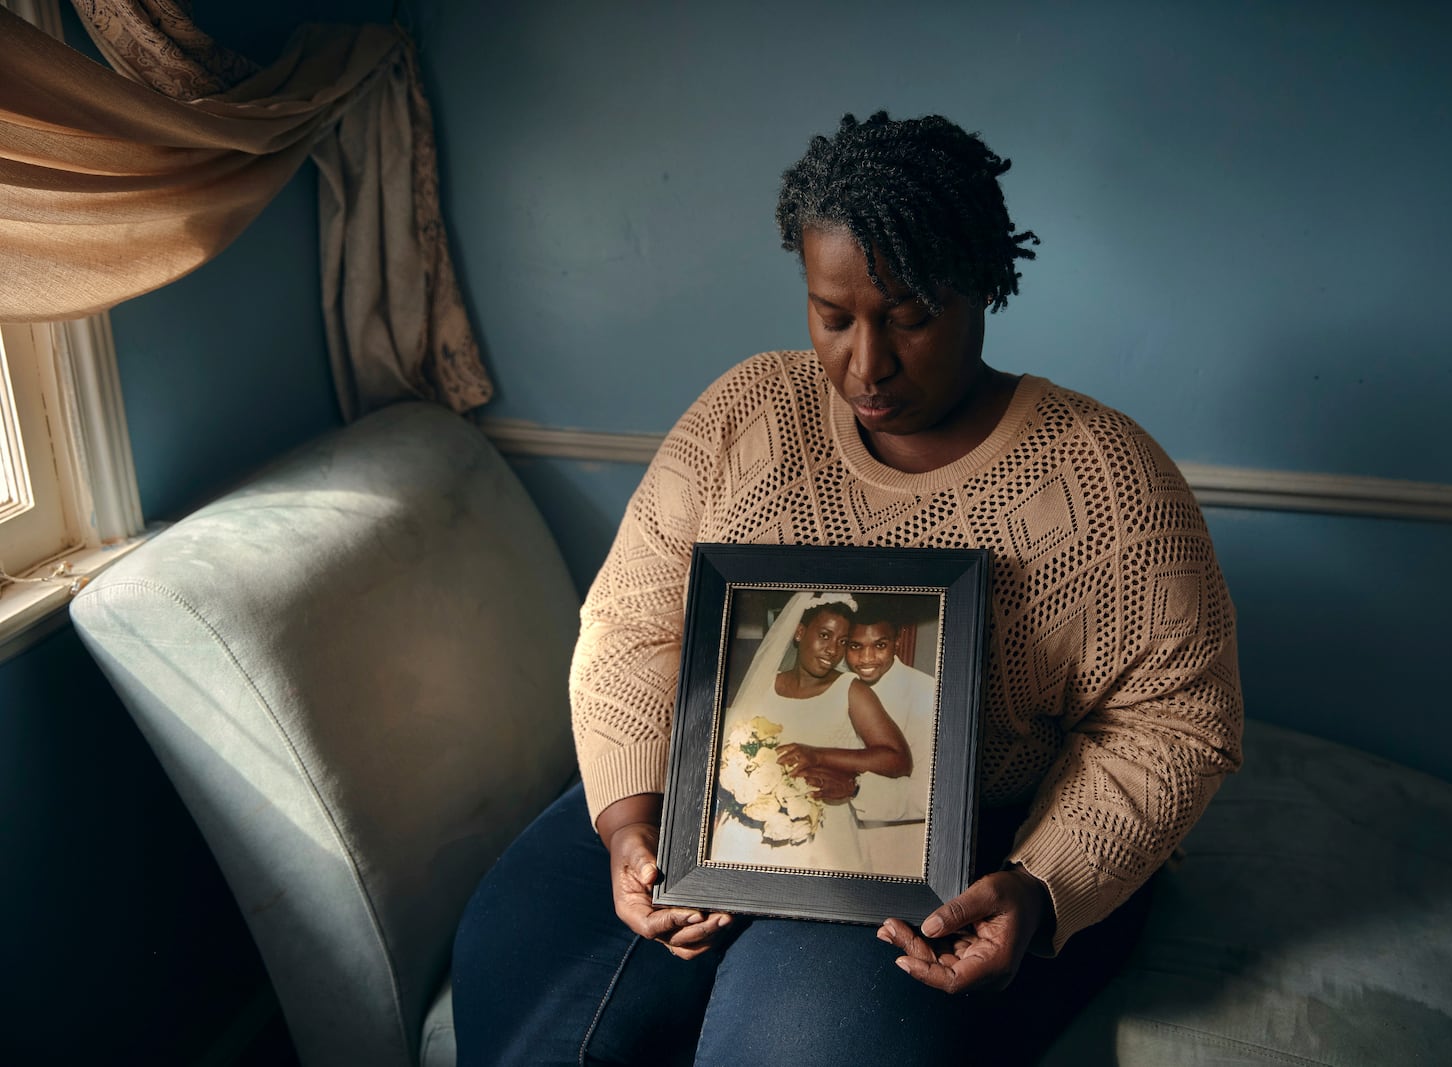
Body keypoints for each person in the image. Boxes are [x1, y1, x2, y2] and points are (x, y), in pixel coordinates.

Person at [452, 110, 1243, 1066]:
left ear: (982, 289)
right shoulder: (745, 413)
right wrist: (632, 820)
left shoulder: (1109, 479)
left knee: (802, 1040)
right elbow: (631, 625)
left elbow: (1173, 721)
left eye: (910, 317)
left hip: (954, 849)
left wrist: (1040, 884)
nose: (866, 364)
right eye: (834, 316)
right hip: (708, 796)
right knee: (525, 966)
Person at [708, 591, 909, 872]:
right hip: (747, 833)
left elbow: (897, 758)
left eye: (842, 642)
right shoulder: (764, 685)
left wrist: (817, 756)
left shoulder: (851, 690)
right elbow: (730, 753)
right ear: (800, 632)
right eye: (824, 636)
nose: (832, 650)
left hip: (820, 839)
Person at [840, 598, 939, 877]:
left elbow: (927, 796)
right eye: (855, 646)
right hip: (833, 847)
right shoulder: (833, 686)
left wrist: (854, 790)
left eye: (879, 645)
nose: (867, 658)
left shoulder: (927, 693)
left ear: (898, 639)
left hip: (892, 852)